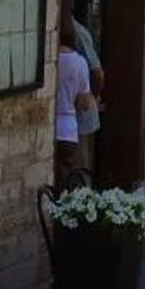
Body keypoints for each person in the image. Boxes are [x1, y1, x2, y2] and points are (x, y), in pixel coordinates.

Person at [55, 10, 93, 192]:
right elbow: (82, 103)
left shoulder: (51, 60)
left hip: (53, 126)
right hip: (68, 127)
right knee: (66, 181)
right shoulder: (80, 63)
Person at [69, 10, 104, 185]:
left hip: (82, 116)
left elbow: (97, 73)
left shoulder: (78, 33)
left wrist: (93, 97)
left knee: (80, 168)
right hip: (73, 118)